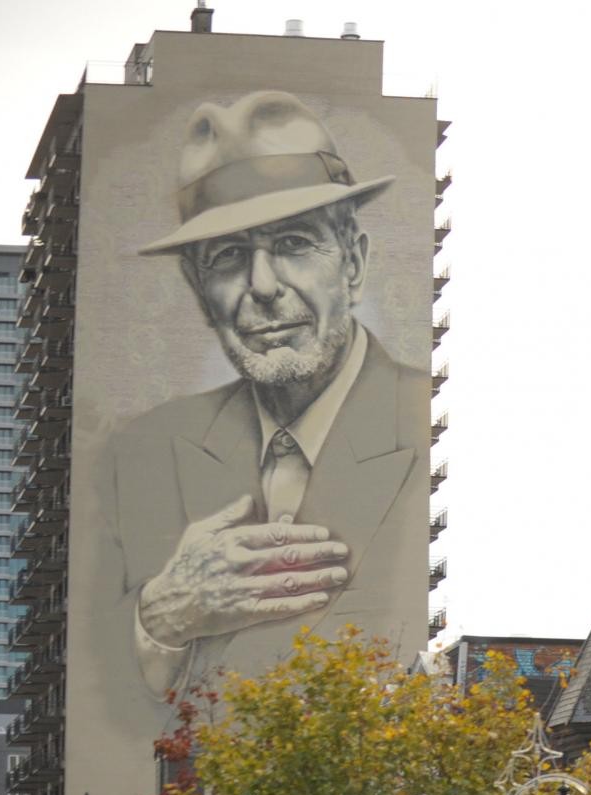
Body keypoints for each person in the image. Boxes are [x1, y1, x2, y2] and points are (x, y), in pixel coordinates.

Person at [90, 89, 427, 706]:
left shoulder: (424, 426)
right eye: (228, 257)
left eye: (295, 244)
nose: (263, 286)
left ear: (353, 263)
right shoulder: (138, 452)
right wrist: (161, 617)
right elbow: (102, 695)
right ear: (198, 289)